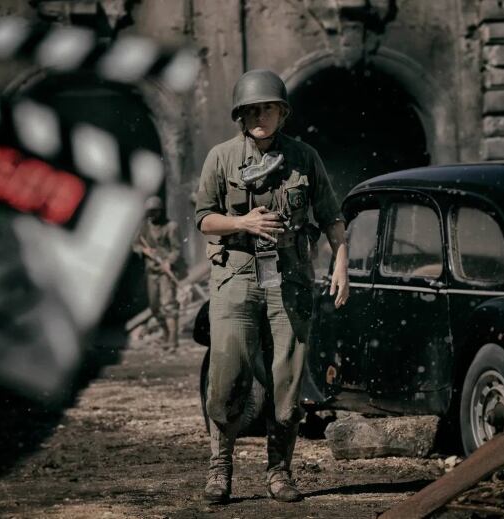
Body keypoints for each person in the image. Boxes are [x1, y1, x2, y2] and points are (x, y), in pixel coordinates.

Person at [194, 69, 349, 504]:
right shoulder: (221, 158)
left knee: (288, 381)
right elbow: (204, 217)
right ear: (241, 115)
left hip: (290, 277)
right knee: (227, 379)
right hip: (236, 277)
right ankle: (219, 469)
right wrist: (242, 221)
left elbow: (331, 215)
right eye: (252, 109)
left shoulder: (305, 158)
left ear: (283, 112)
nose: (261, 115)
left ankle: (280, 472)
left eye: (269, 107)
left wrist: (341, 263)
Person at [133, 195, 183, 350]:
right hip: (152, 271)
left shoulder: (171, 227)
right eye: (149, 212)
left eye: (154, 212)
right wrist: (144, 250)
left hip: (165, 272)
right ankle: (166, 334)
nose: (152, 215)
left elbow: (177, 250)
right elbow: (135, 245)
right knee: (155, 307)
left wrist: (169, 261)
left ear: (161, 211)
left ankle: (173, 342)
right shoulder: (144, 227)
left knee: (169, 305)